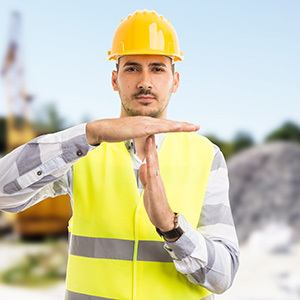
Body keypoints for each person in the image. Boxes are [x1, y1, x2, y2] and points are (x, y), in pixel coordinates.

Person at [0, 9, 239, 300]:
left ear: (175, 81)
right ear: (114, 80)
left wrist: (171, 227)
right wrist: (88, 135)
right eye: (132, 68)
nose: (145, 82)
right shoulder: (82, 151)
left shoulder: (206, 156)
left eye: (158, 68)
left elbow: (223, 276)